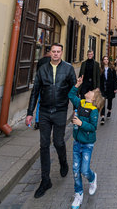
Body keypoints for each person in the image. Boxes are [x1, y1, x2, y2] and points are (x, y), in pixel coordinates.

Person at [26, 43, 77, 198]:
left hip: (61, 111)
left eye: (58, 52)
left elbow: (74, 90)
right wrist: (30, 113)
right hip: (45, 111)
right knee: (44, 145)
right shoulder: (42, 69)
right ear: (50, 53)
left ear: (61, 53)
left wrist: (77, 110)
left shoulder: (68, 69)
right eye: (53, 52)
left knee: (59, 142)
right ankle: (45, 180)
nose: (55, 54)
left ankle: (63, 162)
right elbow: (35, 92)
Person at [68, 76, 104, 209]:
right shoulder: (80, 102)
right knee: (75, 170)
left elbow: (93, 127)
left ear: (93, 99)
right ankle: (78, 194)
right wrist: (77, 85)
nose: (88, 91)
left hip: (87, 144)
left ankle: (92, 177)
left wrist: (80, 123)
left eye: (91, 92)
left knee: (84, 169)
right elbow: (71, 95)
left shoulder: (93, 111)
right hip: (77, 142)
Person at [33, 45, 52, 130]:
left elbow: (37, 73)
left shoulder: (40, 61)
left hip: (41, 84)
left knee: (40, 103)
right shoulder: (53, 61)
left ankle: (37, 121)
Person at [99, 56, 117, 124]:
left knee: (110, 101)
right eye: (104, 59)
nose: (106, 60)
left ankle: (109, 110)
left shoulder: (112, 69)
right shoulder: (101, 69)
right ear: (103, 61)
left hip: (110, 88)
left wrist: (116, 88)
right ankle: (102, 117)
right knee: (103, 102)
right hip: (103, 88)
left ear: (108, 61)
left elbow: (116, 79)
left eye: (107, 59)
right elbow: (99, 79)